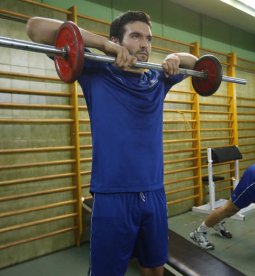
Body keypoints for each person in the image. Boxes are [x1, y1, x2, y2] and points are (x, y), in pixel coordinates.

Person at [26, 11, 198, 276]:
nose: (144, 45)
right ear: (118, 40)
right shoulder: (95, 71)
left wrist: (174, 57)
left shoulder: (157, 79)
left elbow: (198, 64)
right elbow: (35, 28)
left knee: (154, 267)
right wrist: (104, 46)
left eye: (149, 39)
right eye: (136, 36)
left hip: (154, 193)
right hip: (112, 196)